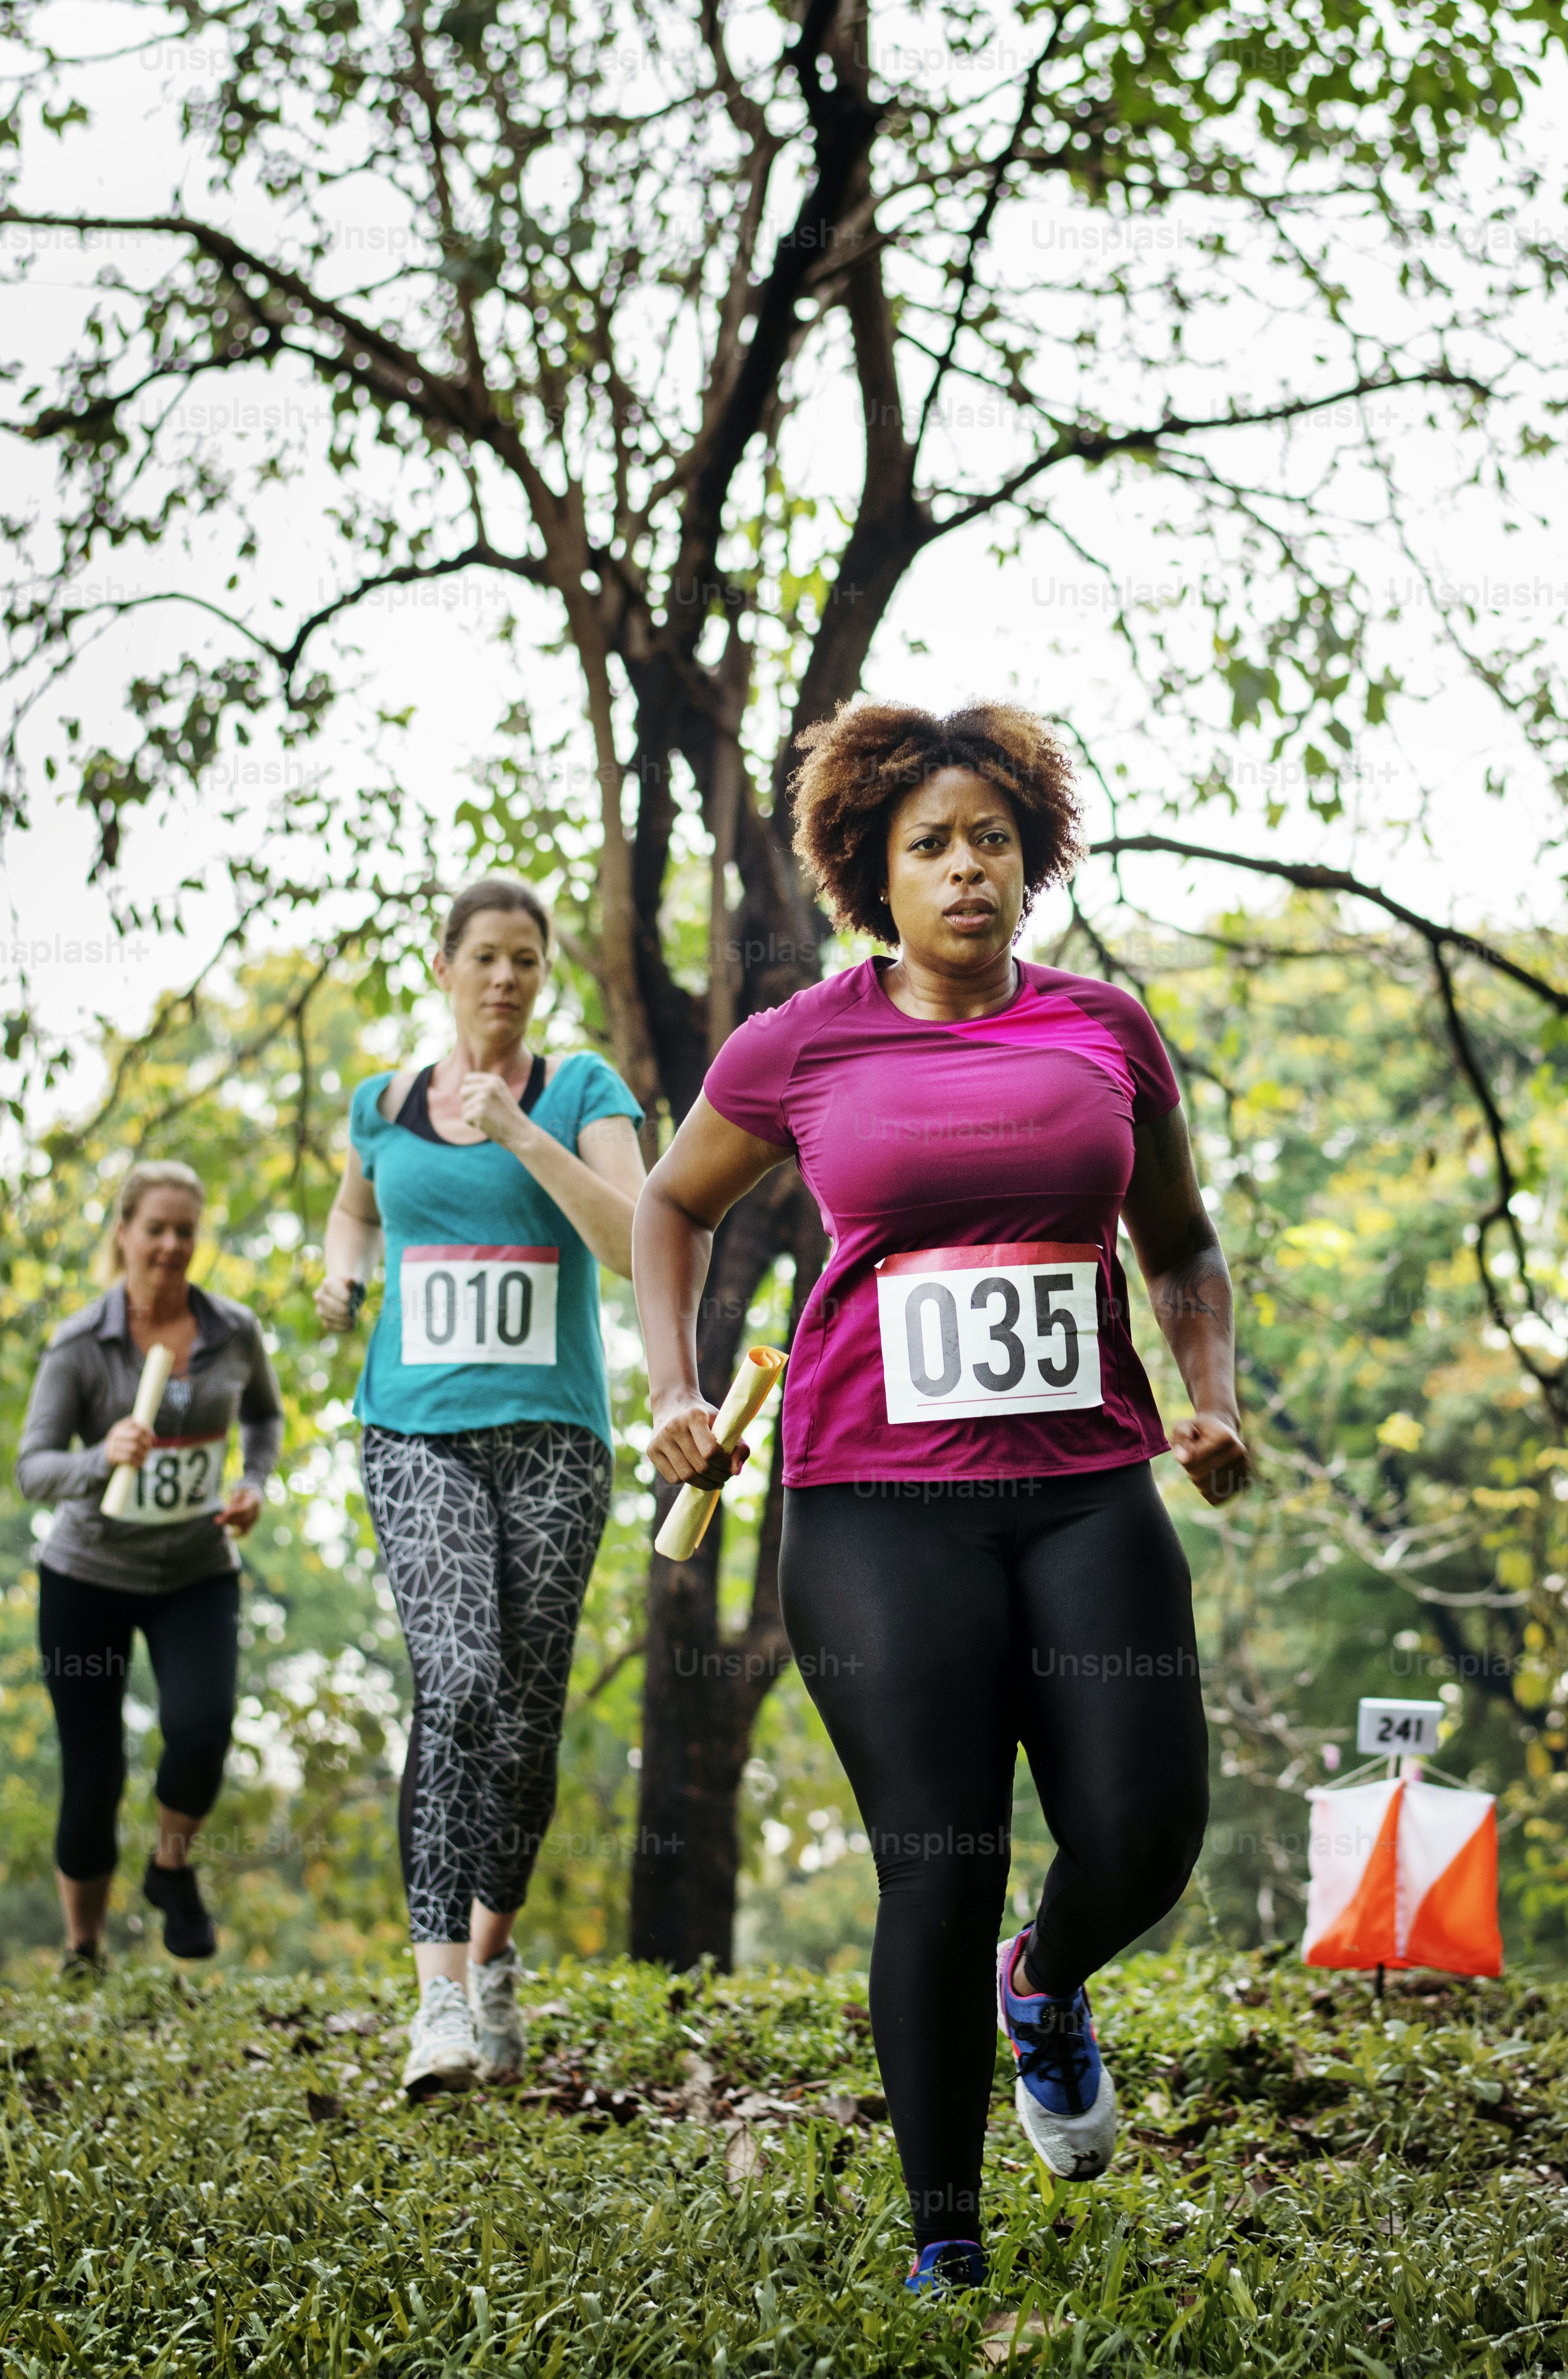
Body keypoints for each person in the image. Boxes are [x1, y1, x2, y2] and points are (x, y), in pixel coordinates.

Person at [639, 699, 1252, 2297]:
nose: (966, 871)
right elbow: (669, 1207)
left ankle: (1042, 1985)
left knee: (1144, 1831)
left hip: (1082, 1487)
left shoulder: (1106, 1030)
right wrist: (674, 1392)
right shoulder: (803, 1043)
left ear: (1031, 857)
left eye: (992, 839)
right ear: (874, 872)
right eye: (931, 847)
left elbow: (1177, 1246)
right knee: (941, 1852)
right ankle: (944, 2240)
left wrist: (1210, 1400)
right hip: (873, 1505)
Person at [321, 876, 647, 2098]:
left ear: (542, 974)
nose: (505, 978)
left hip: (555, 1437)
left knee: (524, 1719)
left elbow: (630, 1240)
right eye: (485, 958)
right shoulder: (385, 1103)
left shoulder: (583, 1093)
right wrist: (343, 1277)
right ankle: (439, 1999)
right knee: (453, 1681)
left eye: (526, 960)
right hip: (416, 1431)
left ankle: (495, 1955)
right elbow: (353, 1213)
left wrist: (517, 1129)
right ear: (445, 964)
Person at [17, 1158, 282, 1971]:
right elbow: (33, 1469)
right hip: (87, 1577)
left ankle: (171, 1870)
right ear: (124, 1235)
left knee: (202, 1730)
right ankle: (83, 1947)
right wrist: (100, 1457)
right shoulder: (79, 1346)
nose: (170, 1246)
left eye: (185, 1232)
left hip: (195, 1572)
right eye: (155, 1230)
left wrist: (252, 1484)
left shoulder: (233, 1331)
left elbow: (265, 1418)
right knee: (93, 1775)